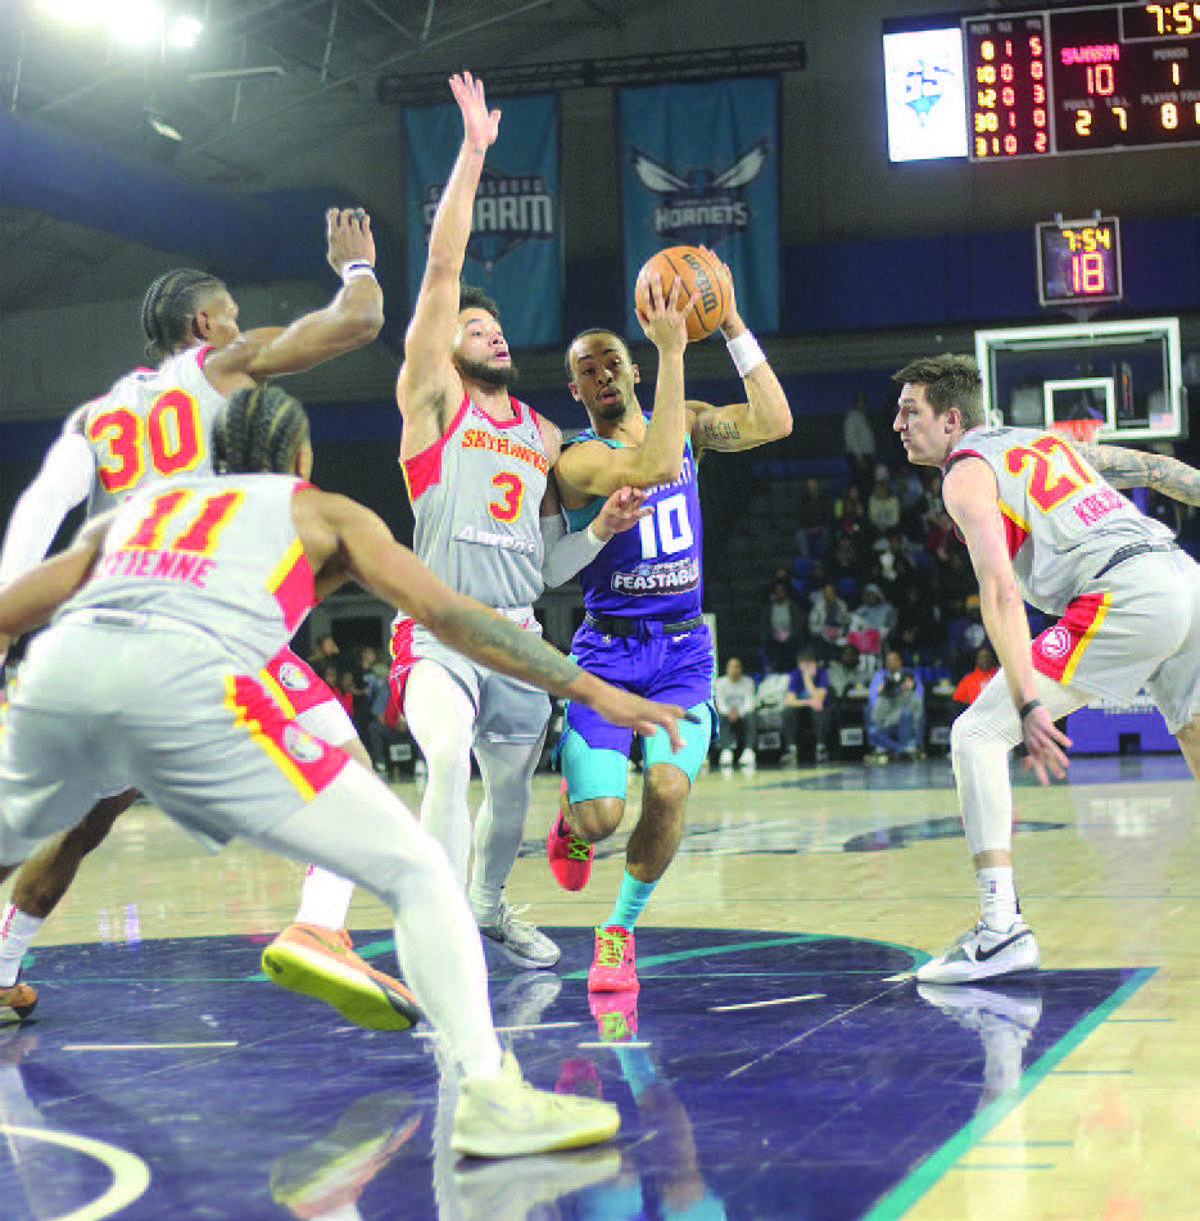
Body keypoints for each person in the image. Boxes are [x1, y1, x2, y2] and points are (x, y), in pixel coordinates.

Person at [0, 383, 693, 1156]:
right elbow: (453, 616)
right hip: (192, 684)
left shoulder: (134, 514)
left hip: (62, 676)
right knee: (418, 870)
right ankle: (479, 1083)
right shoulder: (319, 512)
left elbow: (13, 610)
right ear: (300, 458)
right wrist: (591, 688)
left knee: (18, 833)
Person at [0, 208, 405, 1022]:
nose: (239, 325)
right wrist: (356, 267)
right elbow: (359, 321)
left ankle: (2, 965)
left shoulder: (98, 414)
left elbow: (40, 510)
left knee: (77, 823)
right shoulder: (223, 368)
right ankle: (319, 926)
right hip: (208, 625)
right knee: (350, 764)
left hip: (105, 642)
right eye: (231, 314)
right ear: (203, 326)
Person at [359, 72, 644, 977]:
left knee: (513, 793)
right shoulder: (432, 402)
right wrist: (475, 152)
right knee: (447, 760)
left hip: (519, 635)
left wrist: (600, 530)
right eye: (475, 328)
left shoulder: (545, 437)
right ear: (445, 346)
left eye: (496, 327)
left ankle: (484, 907)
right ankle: (438, 928)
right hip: (441, 630)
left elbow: (547, 568)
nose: (494, 334)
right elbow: (442, 270)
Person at [892, 353, 1200, 983]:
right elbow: (1159, 469)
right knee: (1195, 734)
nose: (897, 424)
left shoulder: (965, 473)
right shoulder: (1043, 442)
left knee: (977, 732)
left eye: (909, 411)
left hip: (1126, 593)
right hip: (1182, 577)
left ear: (951, 420)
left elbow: (1000, 592)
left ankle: (1000, 931)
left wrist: (1029, 704)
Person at [544, 255, 792, 995]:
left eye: (613, 361)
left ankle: (617, 931)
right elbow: (652, 467)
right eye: (588, 370)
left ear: (633, 369)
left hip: (681, 651)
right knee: (600, 818)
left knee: (668, 788)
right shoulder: (578, 459)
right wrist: (674, 351)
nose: (604, 375)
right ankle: (571, 820)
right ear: (576, 390)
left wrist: (732, 321)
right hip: (607, 653)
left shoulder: (684, 422)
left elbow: (776, 421)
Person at [781, 646, 829, 764]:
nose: (806, 666)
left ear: (815, 663)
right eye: (803, 662)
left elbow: (819, 700)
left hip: (819, 708)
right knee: (787, 711)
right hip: (802, 708)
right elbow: (789, 700)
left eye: (809, 662)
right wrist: (807, 702)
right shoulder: (796, 674)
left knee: (817, 709)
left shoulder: (822, 673)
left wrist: (808, 680)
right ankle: (791, 749)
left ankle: (821, 748)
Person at [866, 669, 923, 763]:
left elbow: (915, 721)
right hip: (891, 727)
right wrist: (883, 695)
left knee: (906, 714)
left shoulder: (915, 700)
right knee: (873, 731)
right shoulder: (892, 697)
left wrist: (898, 717)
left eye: (909, 681)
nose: (906, 684)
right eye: (903, 682)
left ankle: (900, 748)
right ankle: (901, 750)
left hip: (907, 730)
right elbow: (876, 718)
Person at [713, 656, 757, 770]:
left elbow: (749, 703)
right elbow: (720, 704)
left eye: (737, 667)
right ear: (727, 669)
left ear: (741, 669)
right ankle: (726, 751)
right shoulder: (720, 683)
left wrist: (738, 712)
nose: (734, 670)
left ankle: (748, 751)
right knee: (719, 716)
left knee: (751, 716)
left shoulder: (748, 682)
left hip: (743, 713)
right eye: (732, 667)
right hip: (726, 714)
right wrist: (729, 712)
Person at [761, 577, 804, 673]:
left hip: (790, 637)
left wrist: (789, 634)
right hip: (774, 638)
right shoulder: (769, 608)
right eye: (777, 591)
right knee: (770, 644)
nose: (779, 593)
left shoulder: (792, 606)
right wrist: (774, 634)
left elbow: (798, 624)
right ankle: (774, 668)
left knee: (792, 645)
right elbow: (765, 625)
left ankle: (790, 668)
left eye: (782, 591)